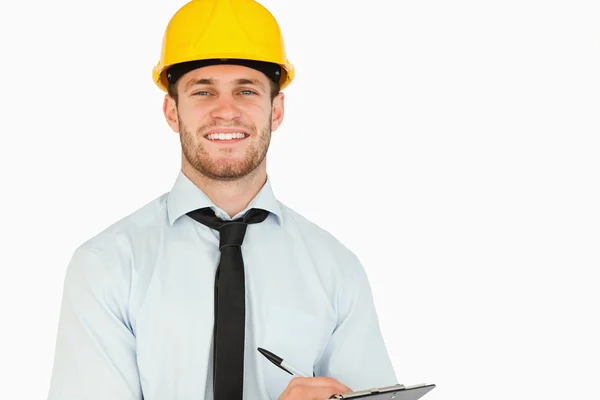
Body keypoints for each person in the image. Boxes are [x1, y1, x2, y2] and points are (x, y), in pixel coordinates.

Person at [46, 0, 397, 399]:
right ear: (172, 111)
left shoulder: (336, 270)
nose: (226, 111)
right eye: (203, 91)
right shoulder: (106, 266)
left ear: (276, 110)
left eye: (246, 90)